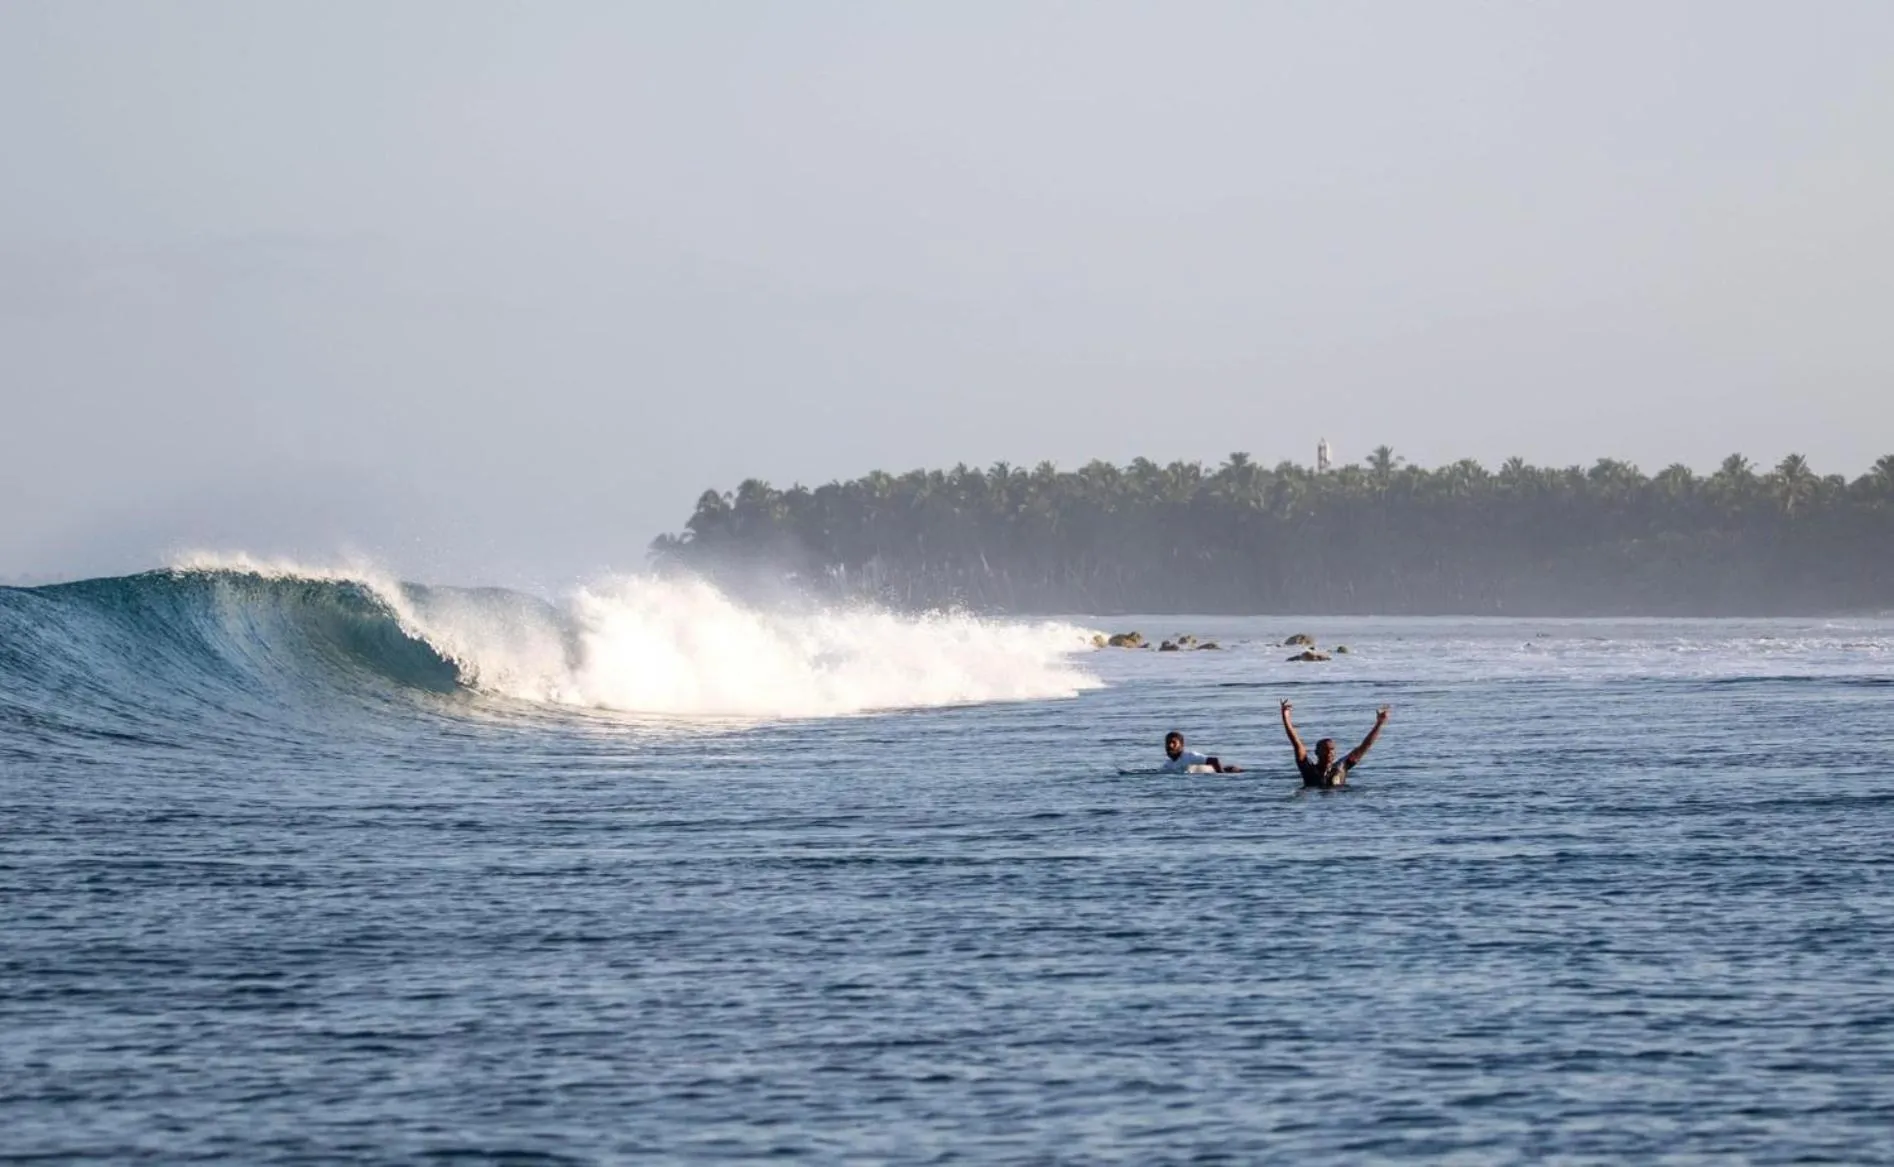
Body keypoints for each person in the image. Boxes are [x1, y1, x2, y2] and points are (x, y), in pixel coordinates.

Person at [1279, 700, 1388, 788]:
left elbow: (1365, 746)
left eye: (1332, 749)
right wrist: (1286, 718)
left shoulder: (1342, 766)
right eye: (1325, 749)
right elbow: (1296, 743)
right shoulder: (1308, 769)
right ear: (1317, 752)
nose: (1329, 752)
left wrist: (1379, 723)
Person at [1160, 730, 1241, 774]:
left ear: (1182, 744)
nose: (1170, 745)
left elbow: (1215, 761)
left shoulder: (1190, 757)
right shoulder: (1167, 765)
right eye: (1168, 743)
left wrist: (1221, 778)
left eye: (1174, 743)